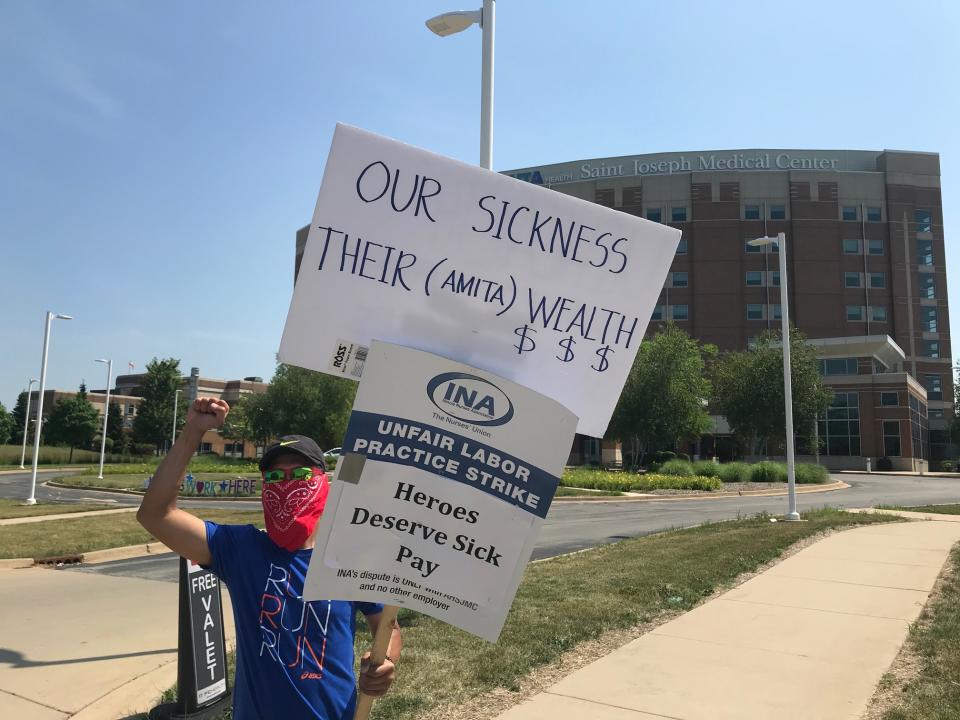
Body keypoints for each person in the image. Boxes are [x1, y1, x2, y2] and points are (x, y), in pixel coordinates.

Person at [138, 396, 401, 719]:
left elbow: (387, 625)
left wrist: (385, 660)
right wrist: (194, 431)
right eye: (275, 477)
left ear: (322, 481)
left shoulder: (347, 557)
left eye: (300, 473)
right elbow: (155, 514)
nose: (286, 485)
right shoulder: (240, 549)